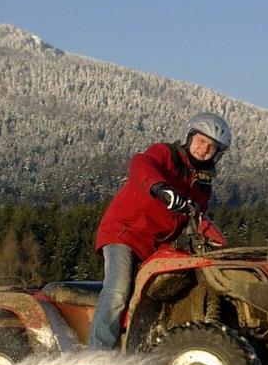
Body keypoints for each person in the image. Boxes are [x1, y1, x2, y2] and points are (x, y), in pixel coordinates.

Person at [87, 112, 231, 350]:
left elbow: (196, 220)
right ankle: (97, 353)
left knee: (167, 293)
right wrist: (160, 189)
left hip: (157, 247)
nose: (204, 149)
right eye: (201, 141)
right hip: (124, 233)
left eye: (212, 147)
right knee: (118, 289)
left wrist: (214, 243)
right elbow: (141, 165)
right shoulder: (165, 153)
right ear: (188, 137)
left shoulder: (203, 185)